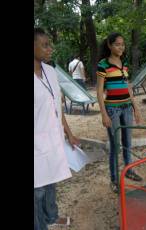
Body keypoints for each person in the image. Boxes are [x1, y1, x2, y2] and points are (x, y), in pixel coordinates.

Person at [34, 27, 80, 229]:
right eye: (44, 45)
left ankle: (51, 218)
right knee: (37, 190)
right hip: (35, 142)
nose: (50, 49)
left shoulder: (50, 71)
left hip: (53, 138)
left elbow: (57, 107)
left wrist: (69, 133)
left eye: (49, 44)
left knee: (51, 180)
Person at [96, 32, 144, 193]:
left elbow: (128, 87)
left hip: (127, 108)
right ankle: (115, 179)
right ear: (109, 45)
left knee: (128, 143)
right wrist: (103, 114)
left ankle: (129, 170)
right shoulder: (103, 65)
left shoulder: (124, 64)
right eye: (117, 44)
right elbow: (99, 90)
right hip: (113, 110)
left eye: (122, 44)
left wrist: (135, 108)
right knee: (116, 146)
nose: (120, 47)